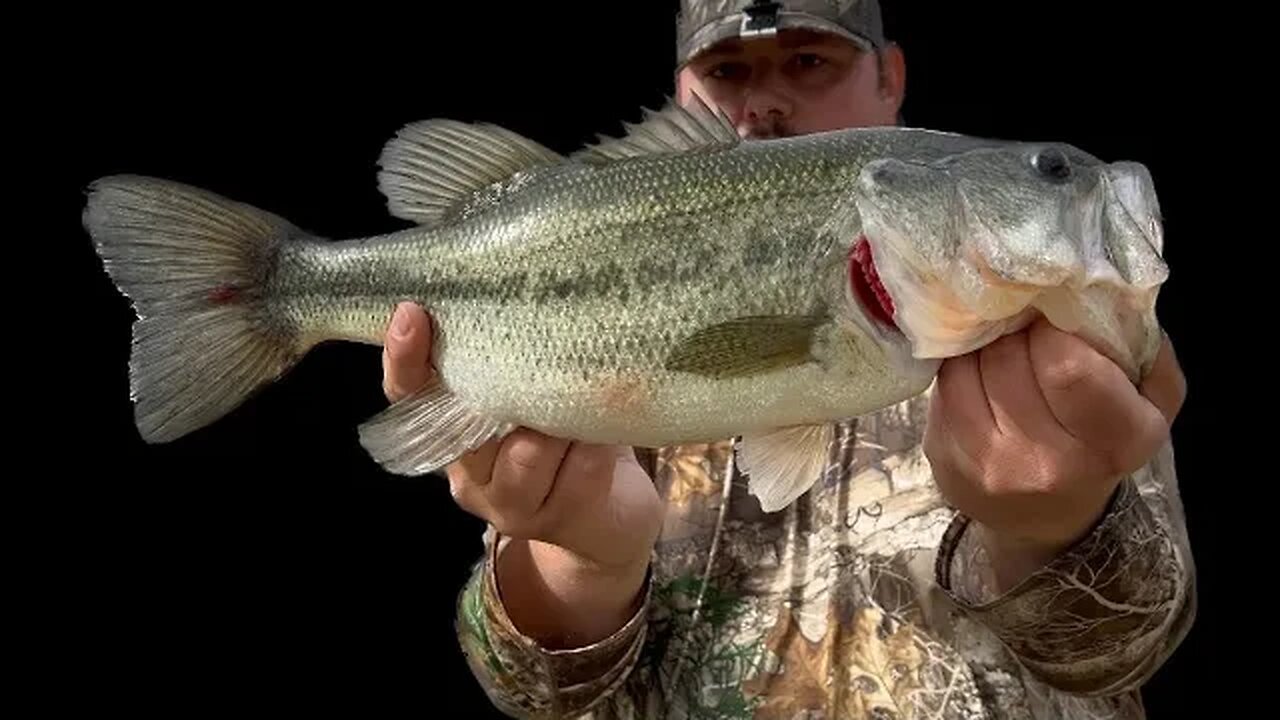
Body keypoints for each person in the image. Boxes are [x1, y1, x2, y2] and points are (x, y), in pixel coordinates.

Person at [381, 1, 1195, 717]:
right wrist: (581, 564)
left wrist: (1054, 530)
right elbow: (530, 691)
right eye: (725, 70)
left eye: (809, 61)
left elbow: (1128, 650)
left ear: (891, 77)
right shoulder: (588, 305)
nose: (764, 101)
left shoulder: (1050, 334)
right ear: (681, 90)